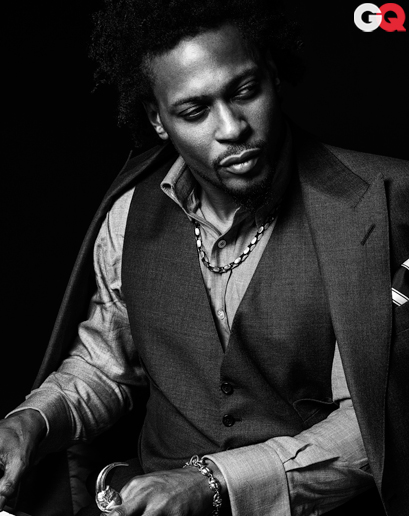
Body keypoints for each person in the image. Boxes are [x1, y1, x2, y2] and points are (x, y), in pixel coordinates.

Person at [0, 0, 408, 515]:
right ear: (158, 120)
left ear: (274, 74)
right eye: (195, 111)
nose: (232, 128)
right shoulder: (129, 215)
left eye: (245, 91)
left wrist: (213, 484)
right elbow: (106, 365)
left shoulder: (385, 207)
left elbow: (378, 423)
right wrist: (32, 422)